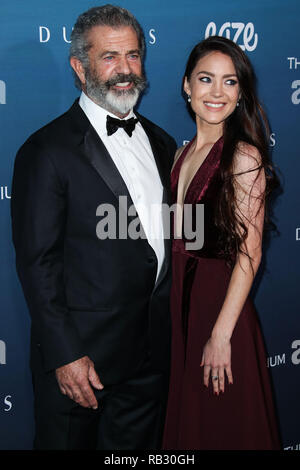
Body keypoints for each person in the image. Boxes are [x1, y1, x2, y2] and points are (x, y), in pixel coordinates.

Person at [11, 5, 176, 450]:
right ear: (79, 67)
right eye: (109, 57)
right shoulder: (45, 150)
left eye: (134, 55)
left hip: (149, 361)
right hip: (82, 364)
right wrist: (65, 354)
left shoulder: (161, 143)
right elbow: (37, 264)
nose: (125, 70)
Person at [162, 36, 281, 450]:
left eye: (229, 82)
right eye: (206, 79)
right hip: (183, 305)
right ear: (186, 86)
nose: (216, 93)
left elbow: (251, 252)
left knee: (223, 424)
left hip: (219, 308)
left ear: (240, 92)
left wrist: (221, 334)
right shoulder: (182, 154)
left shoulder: (242, 156)